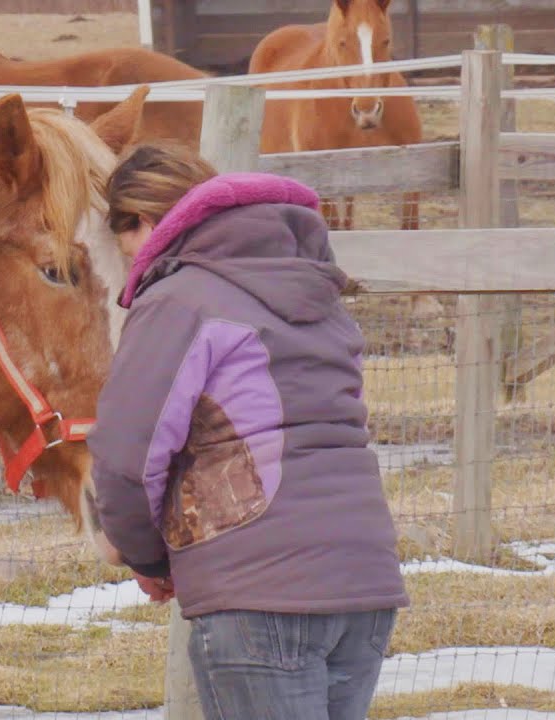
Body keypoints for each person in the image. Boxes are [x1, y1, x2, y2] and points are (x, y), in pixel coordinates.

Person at [86, 141, 408, 720]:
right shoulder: (315, 290)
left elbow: (127, 457)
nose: (131, 264)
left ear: (143, 221)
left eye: (124, 242)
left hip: (259, 594)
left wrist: (145, 558)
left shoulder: (177, 298)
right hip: (364, 583)